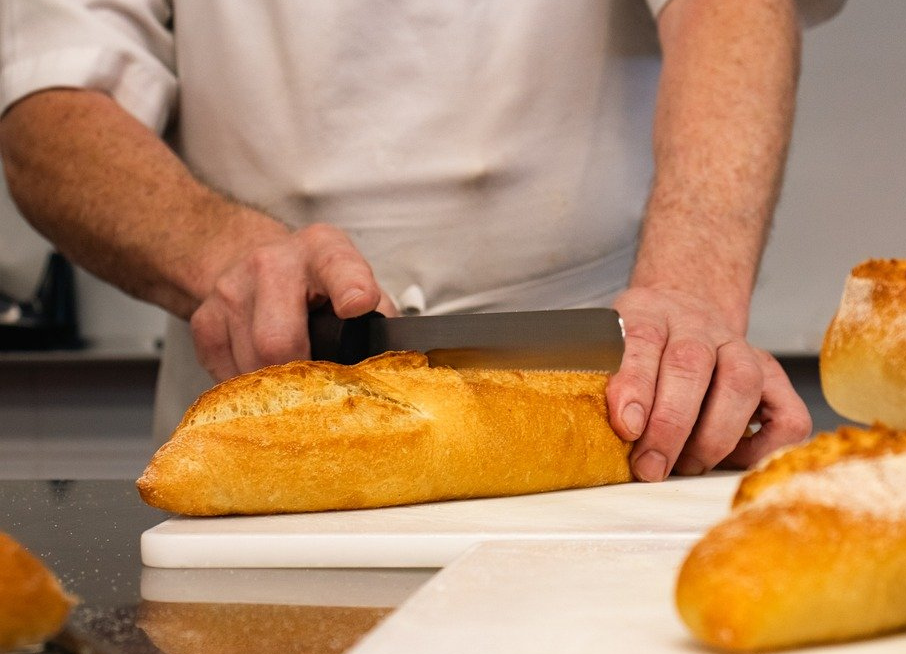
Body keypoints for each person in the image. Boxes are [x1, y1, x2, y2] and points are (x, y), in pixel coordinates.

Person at [0, 0, 842, 482]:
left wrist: (689, 292)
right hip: (266, 399)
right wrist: (216, 250)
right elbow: (50, 89)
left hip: (612, 407)